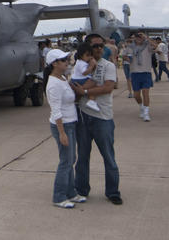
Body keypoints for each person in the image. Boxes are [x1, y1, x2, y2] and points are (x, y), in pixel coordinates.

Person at [71, 36, 122, 205]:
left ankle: (113, 191)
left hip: (103, 117)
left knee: (108, 156)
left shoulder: (108, 66)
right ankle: (81, 189)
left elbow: (108, 87)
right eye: (95, 46)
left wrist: (84, 92)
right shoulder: (81, 65)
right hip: (84, 116)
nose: (99, 48)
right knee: (83, 156)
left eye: (101, 45)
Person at [43, 49, 85, 208]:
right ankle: (59, 196)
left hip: (71, 122)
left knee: (70, 159)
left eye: (67, 59)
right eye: (64, 60)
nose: (67, 62)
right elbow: (56, 111)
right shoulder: (53, 84)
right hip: (63, 125)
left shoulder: (62, 78)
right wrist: (62, 133)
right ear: (54, 64)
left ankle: (71, 192)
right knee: (66, 161)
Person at [129, 32, 154, 121]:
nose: (139, 39)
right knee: (136, 95)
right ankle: (141, 107)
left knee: (145, 92)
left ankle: (146, 113)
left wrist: (147, 37)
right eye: (137, 37)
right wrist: (126, 58)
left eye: (140, 37)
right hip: (135, 72)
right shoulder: (130, 47)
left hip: (146, 72)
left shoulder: (147, 46)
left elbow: (155, 46)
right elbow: (124, 56)